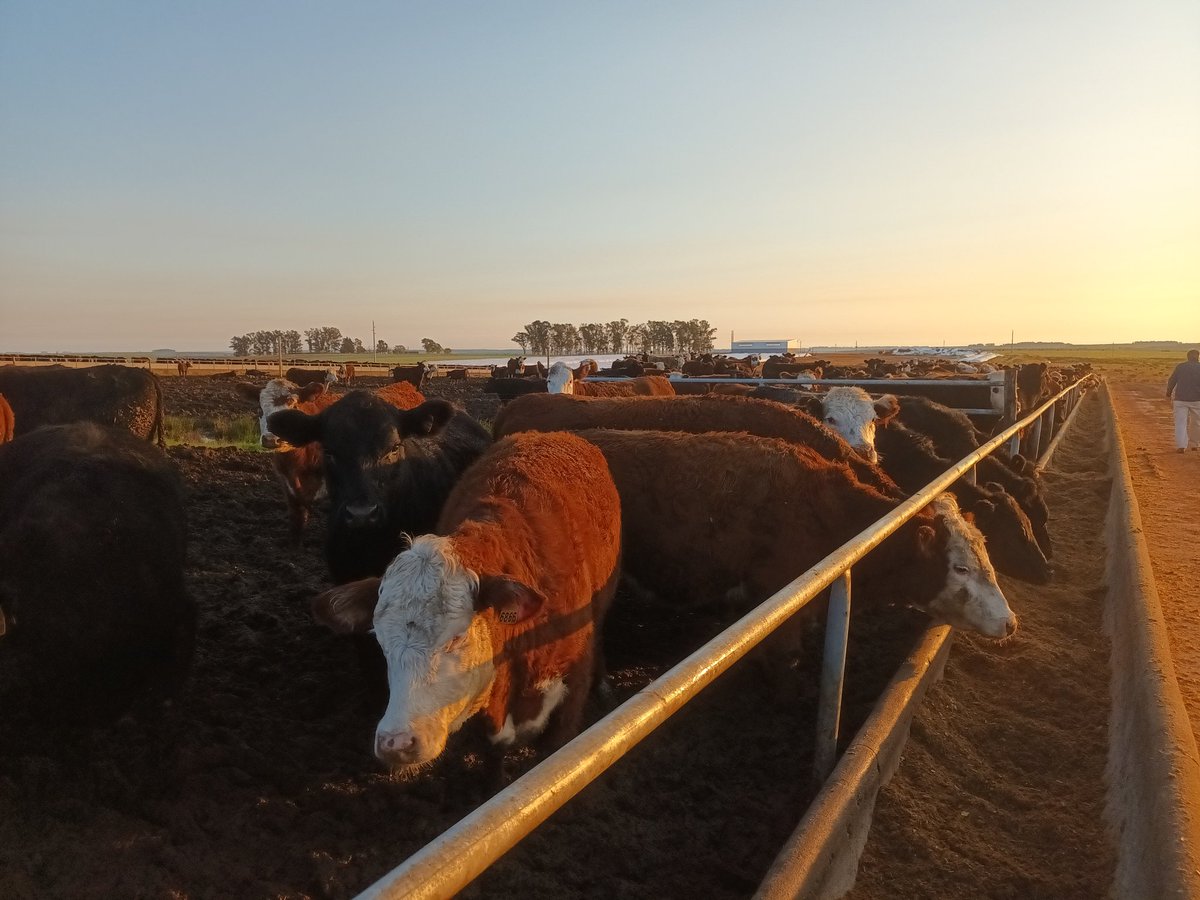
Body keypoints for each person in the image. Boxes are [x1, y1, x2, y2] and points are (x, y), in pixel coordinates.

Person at [1166, 348, 1200, 453]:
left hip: (1180, 400)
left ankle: (1181, 446)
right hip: (1197, 400)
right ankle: (1195, 444)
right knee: (1197, 423)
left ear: (1187, 357)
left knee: (1180, 422)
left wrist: (1168, 394)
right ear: (1198, 357)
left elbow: (1172, 380)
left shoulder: (1180, 367)